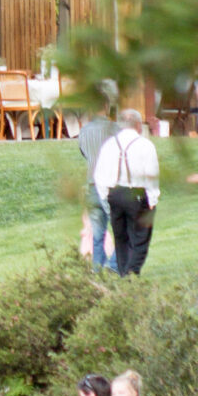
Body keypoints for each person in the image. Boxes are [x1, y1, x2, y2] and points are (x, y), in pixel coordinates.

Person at [92, 107, 160, 275]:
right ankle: (132, 271)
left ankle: (123, 272)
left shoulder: (109, 145)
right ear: (138, 125)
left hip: (114, 193)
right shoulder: (145, 145)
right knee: (140, 237)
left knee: (121, 237)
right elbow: (151, 174)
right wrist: (152, 199)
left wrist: (105, 197)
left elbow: (99, 175)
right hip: (136, 193)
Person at [76, 102, 118, 270]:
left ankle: (97, 269)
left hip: (92, 184)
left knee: (98, 233)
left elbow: (84, 152)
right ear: (106, 107)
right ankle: (112, 265)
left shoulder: (84, 131)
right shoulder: (114, 129)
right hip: (111, 184)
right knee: (122, 230)